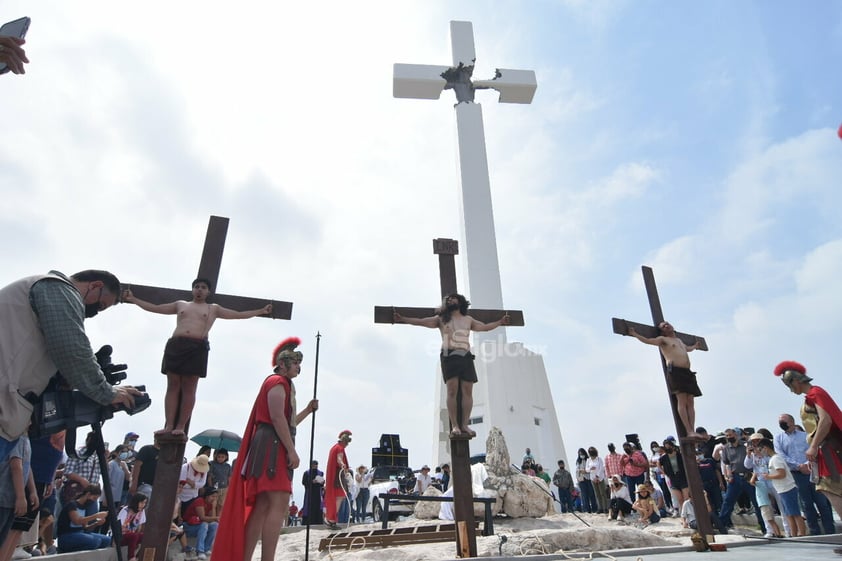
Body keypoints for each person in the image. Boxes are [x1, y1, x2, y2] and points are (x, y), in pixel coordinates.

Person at [0, 270, 142, 462]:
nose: (94, 312)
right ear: (95, 285)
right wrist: (107, 392)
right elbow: (72, 349)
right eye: (100, 306)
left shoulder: (42, 288)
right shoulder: (59, 288)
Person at [123, 279, 272, 436]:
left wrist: (261, 311)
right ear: (192, 289)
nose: (199, 290)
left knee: (189, 387)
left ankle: (180, 426)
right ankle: (169, 425)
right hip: (176, 345)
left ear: (208, 292)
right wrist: (133, 299)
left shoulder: (213, 308)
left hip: (197, 347)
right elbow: (156, 308)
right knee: (172, 385)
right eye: (197, 287)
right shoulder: (181, 304)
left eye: (203, 287)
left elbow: (238, 315)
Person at [214, 337, 318, 561]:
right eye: (295, 363)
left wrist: (308, 410)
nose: (299, 367)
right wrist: (291, 450)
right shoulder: (277, 382)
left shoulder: (283, 384)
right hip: (272, 446)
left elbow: (286, 422)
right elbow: (277, 418)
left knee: (262, 506)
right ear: (283, 364)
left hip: (271, 441)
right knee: (279, 503)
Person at [394, 294, 510, 437]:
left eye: (453, 298)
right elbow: (421, 321)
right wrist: (403, 319)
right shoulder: (442, 319)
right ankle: (455, 426)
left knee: (467, 391)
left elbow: (484, 327)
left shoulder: (468, 320)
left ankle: (465, 425)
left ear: (460, 302)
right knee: (452, 391)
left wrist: (500, 322)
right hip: (449, 356)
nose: (449, 300)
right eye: (447, 299)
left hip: (466, 356)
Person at [774, 360, 842, 521]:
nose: (791, 390)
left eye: (790, 385)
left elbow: (826, 420)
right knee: (830, 489)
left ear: (796, 381)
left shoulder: (815, 393)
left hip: (830, 451)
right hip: (824, 451)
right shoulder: (811, 397)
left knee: (831, 489)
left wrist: (813, 446)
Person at [627, 321, 703, 439]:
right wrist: (635, 334)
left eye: (667, 324)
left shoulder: (679, 340)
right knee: (682, 400)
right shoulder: (663, 339)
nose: (667, 326)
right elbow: (648, 341)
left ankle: (693, 429)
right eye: (663, 326)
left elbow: (687, 349)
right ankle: (688, 431)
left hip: (687, 372)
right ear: (662, 330)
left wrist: (695, 347)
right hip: (676, 372)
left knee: (690, 401)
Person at [774, 411, 836, 535]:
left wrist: (807, 464)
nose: (781, 423)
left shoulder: (805, 435)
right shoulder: (778, 438)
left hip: (812, 471)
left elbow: (814, 449)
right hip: (796, 474)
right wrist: (798, 465)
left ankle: (830, 530)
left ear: (791, 422)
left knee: (822, 502)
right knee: (806, 504)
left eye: (784, 421)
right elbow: (781, 455)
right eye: (780, 422)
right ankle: (814, 531)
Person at [755, 438, 806, 537]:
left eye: (761, 449)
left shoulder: (776, 459)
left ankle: (802, 534)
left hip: (788, 488)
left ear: (765, 448)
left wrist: (768, 476)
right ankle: (793, 534)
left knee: (795, 513)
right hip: (781, 490)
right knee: (789, 514)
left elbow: (782, 474)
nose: (761, 452)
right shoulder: (772, 459)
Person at [55, 485, 110, 553]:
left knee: (107, 540)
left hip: (79, 533)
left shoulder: (84, 507)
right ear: (88, 494)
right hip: (66, 535)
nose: (94, 501)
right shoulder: (72, 505)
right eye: (94, 498)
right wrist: (95, 516)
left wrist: (96, 523)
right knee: (95, 541)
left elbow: (86, 528)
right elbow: (77, 521)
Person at [325, 430, 352, 529]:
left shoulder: (334, 447)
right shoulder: (339, 448)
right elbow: (339, 459)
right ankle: (331, 519)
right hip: (337, 476)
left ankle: (331, 519)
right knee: (339, 496)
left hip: (335, 475)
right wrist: (342, 464)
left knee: (338, 497)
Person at [182, 488, 219, 560]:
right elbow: (202, 518)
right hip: (188, 526)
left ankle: (206, 549)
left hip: (198, 526)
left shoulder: (211, 504)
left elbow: (212, 519)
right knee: (204, 524)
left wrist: (213, 507)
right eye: (213, 496)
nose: (214, 499)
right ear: (207, 496)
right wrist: (216, 518)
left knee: (215, 525)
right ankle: (200, 551)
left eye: (216, 497)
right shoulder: (200, 501)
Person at [117, 492, 147, 561]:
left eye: (145, 503)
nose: (143, 505)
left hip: (132, 536)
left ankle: (139, 557)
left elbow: (139, 528)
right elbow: (119, 528)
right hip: (121, 536)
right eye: (142, 502)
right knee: (133, 536)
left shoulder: (142, 512)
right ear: (136, 502)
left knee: (145, 537)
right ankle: (131, 558)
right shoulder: (125, 510)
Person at [301, 460, 324, 525]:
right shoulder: (306, 473)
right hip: (309, 493)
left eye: (316, 464)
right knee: (309, 507)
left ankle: (318, 521)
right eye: (314, 464)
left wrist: (322, 482)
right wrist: (312, 482)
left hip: (317, 494)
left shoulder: (320, 473)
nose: (315, 466)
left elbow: (322, 484)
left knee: (318, 507)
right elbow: (304, 482)